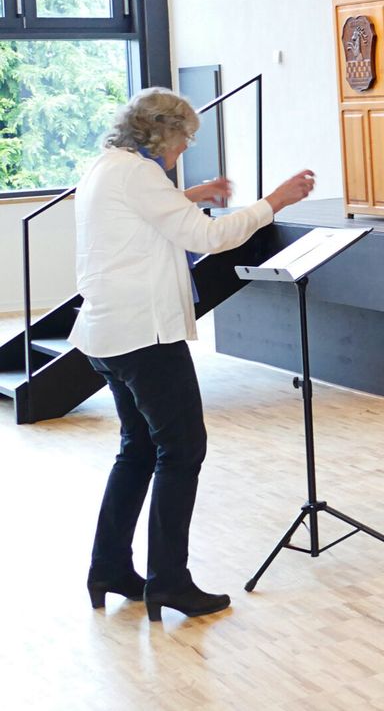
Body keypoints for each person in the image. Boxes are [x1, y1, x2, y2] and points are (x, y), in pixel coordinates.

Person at [71, 88, 315, 620]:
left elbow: (140, 214)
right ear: (161, 134)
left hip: (108, 332)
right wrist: (274, 202)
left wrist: (190, 193)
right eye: (184, 139)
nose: (184, 149)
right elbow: (209, 237)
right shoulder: (140, 174)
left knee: (138, 449)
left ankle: (109, 568)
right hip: (144, 334)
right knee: (181, 451)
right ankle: (169, 583)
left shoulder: (108, 166)